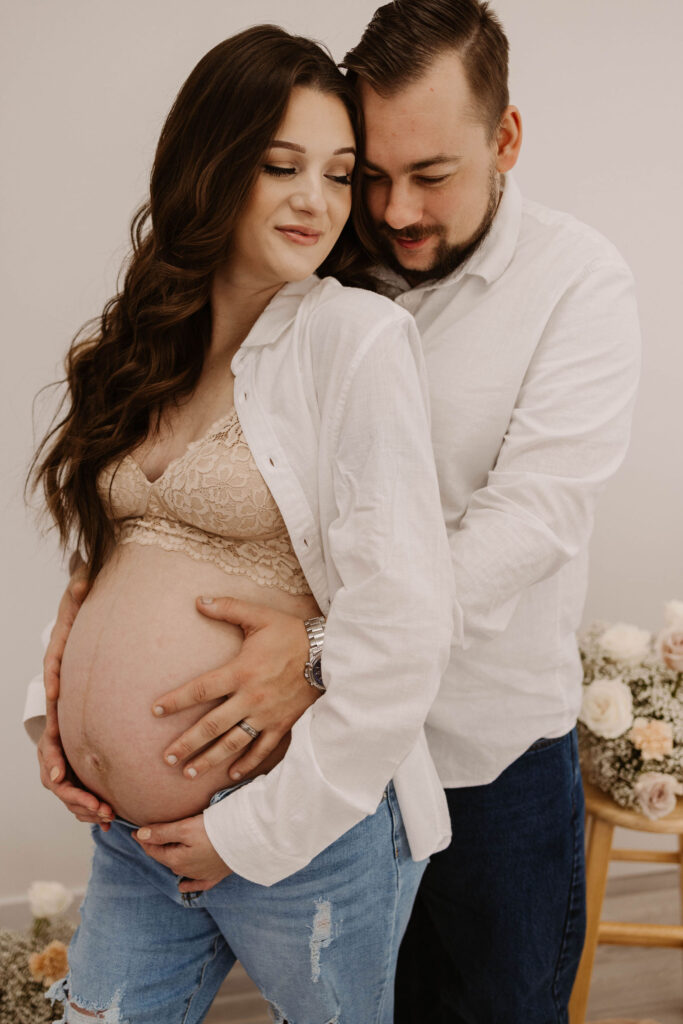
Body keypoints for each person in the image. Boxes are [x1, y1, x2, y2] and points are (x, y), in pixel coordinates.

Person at [26, 1, 642, 1020]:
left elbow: (525, 523)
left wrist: (318, 648)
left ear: (505, 140)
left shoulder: (574, 286)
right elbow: (176, 509)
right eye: (372, 173)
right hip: (296, 754)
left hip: (480, 750)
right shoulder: (307, 275)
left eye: (428, 175)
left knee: (490, 1003)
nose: (389, 210)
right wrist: (70, 664)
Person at [25, 25, 456, 1024]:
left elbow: (405, 625)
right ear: (209, 165)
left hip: (300, 816)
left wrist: (250, 833)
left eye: (339, 174)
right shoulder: (137, 342)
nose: (317, 200)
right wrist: (56, 719)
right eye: (281, 165)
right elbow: (103, 567)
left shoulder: (352, 340)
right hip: (130, 835)